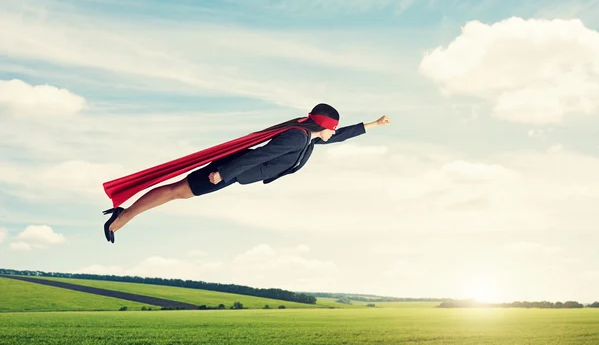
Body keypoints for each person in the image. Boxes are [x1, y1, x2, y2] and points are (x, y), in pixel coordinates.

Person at [103, 103, 390, 242]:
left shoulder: (308, 134)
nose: (335, 134)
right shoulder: (298, 137)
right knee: (175, 191)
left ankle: (124, 216)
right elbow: (260, 154)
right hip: (229, 171)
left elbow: (338, 136)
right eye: (333, 129)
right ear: (322, 127)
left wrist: (373, 125)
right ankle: (122, 217)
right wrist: (223, 174)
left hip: (233, 171)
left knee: (178, 193)